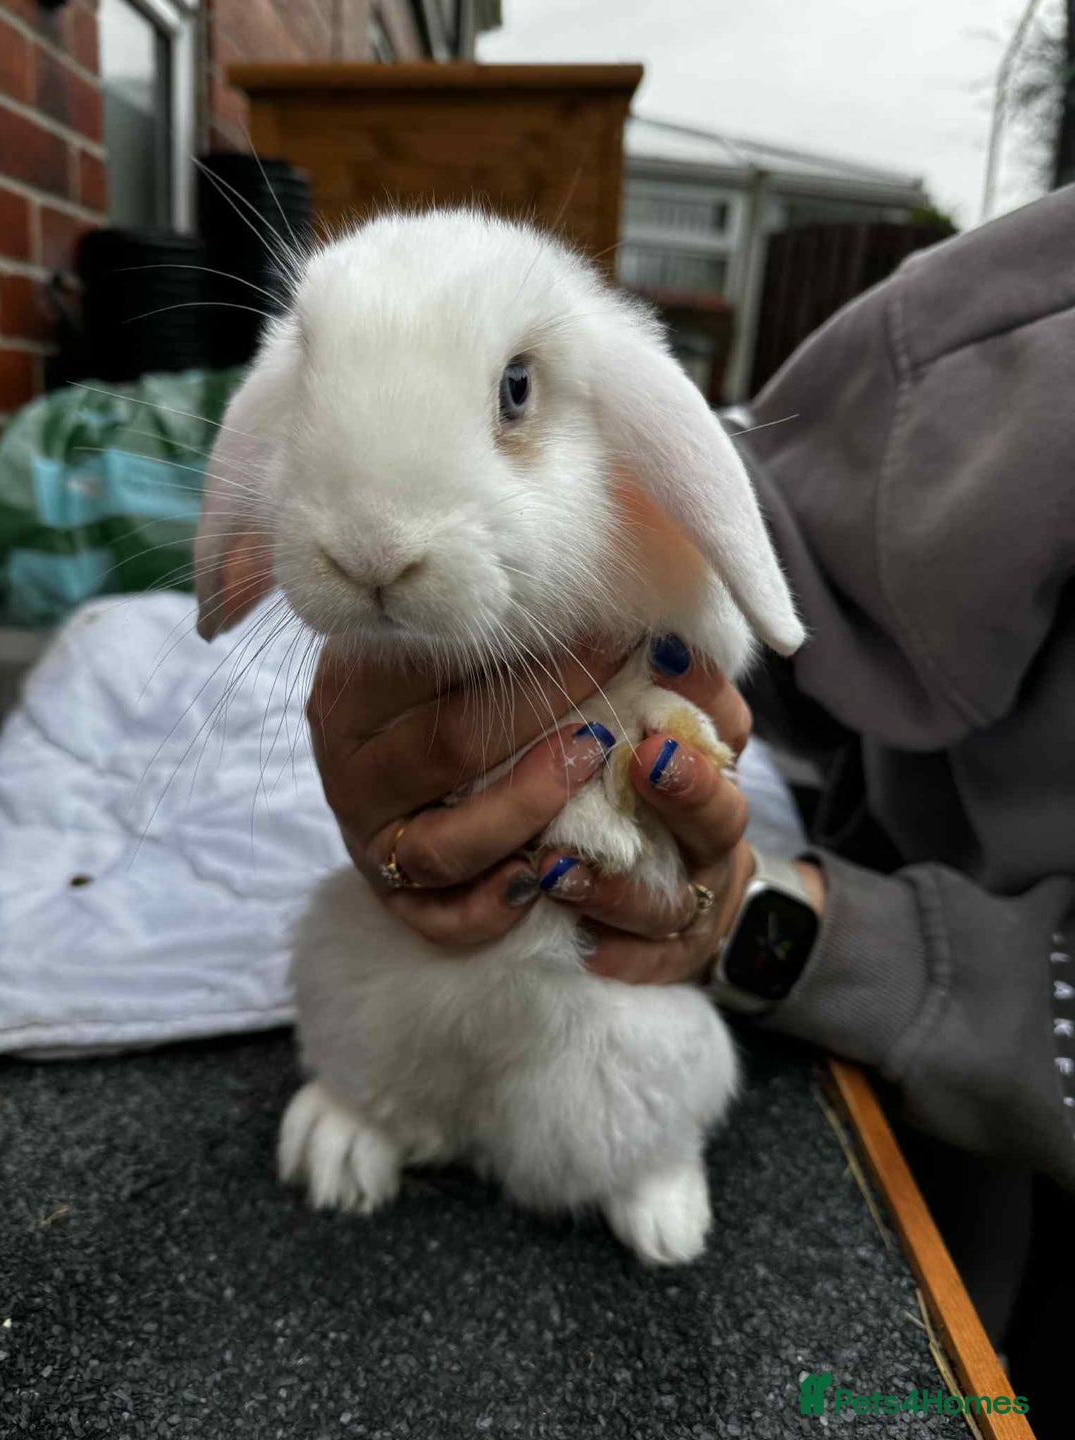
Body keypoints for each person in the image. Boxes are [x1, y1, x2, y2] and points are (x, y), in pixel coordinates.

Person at [306, 184, 1075, 1427]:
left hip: (942, 1106)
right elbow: (795, 524)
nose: (379, 550)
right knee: (377, 975)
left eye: (514, 398)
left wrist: (775, 922)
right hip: (715, 949)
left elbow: (738, 573)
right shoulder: (1012, 317)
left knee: (627, 1074)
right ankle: (379, 1098)